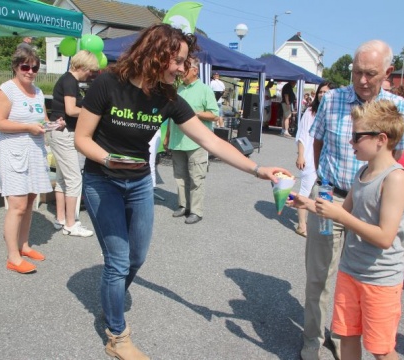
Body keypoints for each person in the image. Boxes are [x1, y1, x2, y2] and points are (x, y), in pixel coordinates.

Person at [73, 24, 292, 359]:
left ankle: (111, 299)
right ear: (155, 54)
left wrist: (258, 170)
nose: (182, 68)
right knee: (117, 261)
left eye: (184, 61)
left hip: (139, 182)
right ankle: (117, 334)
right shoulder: (108, 83)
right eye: (177, 60)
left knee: (136, 257)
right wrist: (108, 159)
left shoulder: (168, 97)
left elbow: (210, 140)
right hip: (102, 180)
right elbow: (82, 139)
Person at [303, 39, 404, 360]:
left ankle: (344, 335)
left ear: (388, 72)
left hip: (371, 203)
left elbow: (396, 156)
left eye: (371, 74)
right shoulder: (332, 99)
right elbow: (317, 142)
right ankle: (313, 340)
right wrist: (322, 183)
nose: (363, 80)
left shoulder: (397, 107)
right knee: (320, 273)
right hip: (330, 193)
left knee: (362, 276)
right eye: (357, 72)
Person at [0, 47, 65, 274]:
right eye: (25, 66)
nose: (30, 71)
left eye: (34, 67)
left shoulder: (38, 92)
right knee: (17, 205)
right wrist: (26, 126)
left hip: (34, 152)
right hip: (13, 152)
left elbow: (40, 121)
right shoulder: (7, 90)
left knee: (30, 200)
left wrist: (54, 124)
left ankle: (23, 245)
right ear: (15, 67)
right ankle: (12, 256)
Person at [48, 50, 99, 237]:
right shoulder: (70, 81)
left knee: (62, 179)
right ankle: (71, 224)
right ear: (83, 66)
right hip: (64, 134)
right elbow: (70, 110)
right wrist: (92, 110)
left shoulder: (67, 80)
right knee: (74, 179)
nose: (90, 74)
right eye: (90, 70)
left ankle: (61, 218)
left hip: (59, 133)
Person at [164, 57, 220, 225]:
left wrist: (194, 113)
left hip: (197, 142)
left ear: (195, 71)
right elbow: (171, 116)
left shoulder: (205, 90)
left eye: (185, 68)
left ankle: (196, 211)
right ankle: (183, 206)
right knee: (179, 176)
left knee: (196, 177)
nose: (181, 71)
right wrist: (167, 136)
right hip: (177, 140)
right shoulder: (177, 88)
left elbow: (214, 114)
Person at [294, 81, 335, 237]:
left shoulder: (333, 113)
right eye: (321, 92)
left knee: (324, 191)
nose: (323, 95)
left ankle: (322, 225)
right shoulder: (310, 112)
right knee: (305, 189)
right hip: (310, 157)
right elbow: (302, 135)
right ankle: (301, 225)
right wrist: (300, 155)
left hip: (327, 159)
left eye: (326, 92)